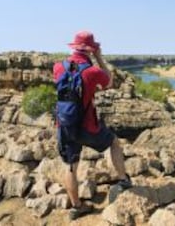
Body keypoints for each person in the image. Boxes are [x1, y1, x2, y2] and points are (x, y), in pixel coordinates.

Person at [53, 30, 132, 220]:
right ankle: (123, 180)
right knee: (113, 142)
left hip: (64, 125)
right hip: (87, 125)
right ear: (90, 49)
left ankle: (77, 207)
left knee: (71, 166)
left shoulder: (58, 67)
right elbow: (109, 81)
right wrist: (99, 57)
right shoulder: (92, 71)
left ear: (74, 47)